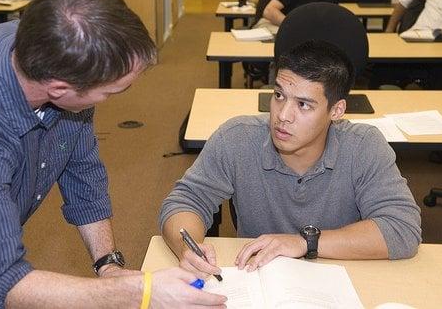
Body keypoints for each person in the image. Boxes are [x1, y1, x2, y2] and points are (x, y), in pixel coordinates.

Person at [0, 0, 226, 309]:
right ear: (60, 89)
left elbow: (82, 173)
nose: (109, 101)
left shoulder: (53, 50)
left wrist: (109, 265)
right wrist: (135, 293)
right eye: (111, 92)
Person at [159, 40, 422, 279]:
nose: (283, 115)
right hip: (260, 279)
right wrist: (188, 248)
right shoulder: (237, 138)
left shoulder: (363, 146)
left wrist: (303, 242)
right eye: (279, 96)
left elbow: (401, 229)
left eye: (304, 104)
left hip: (342, 275)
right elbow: (186, 201)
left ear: (336, 110)